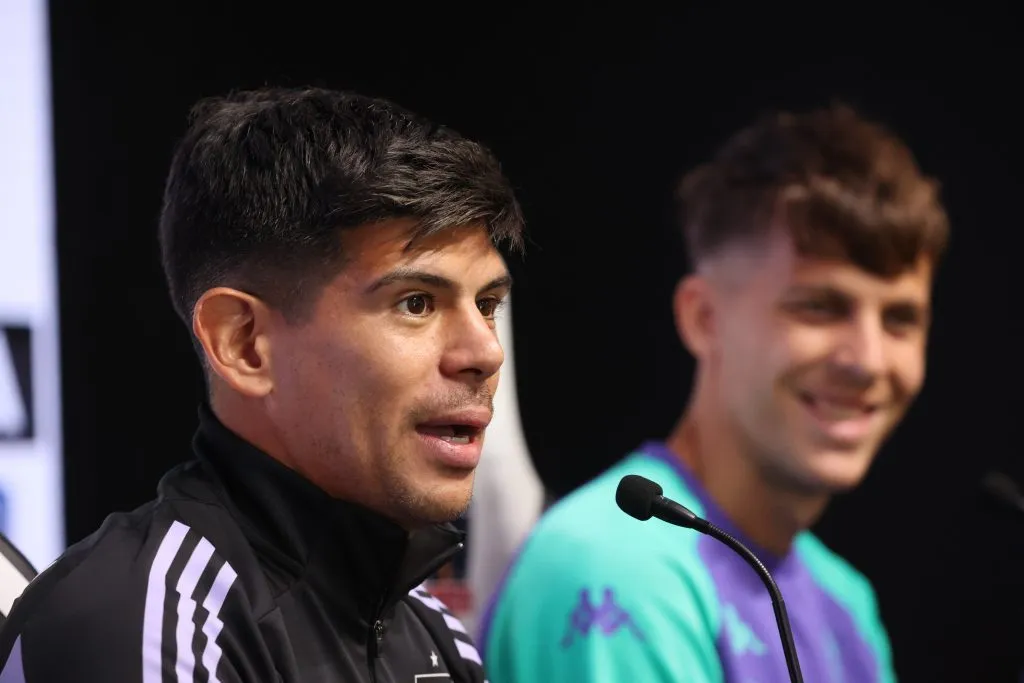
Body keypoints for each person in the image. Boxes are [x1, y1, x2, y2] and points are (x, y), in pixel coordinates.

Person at [0, 86, 524, 682]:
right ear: (244, 343)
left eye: (486, 303)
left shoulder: (438, 636)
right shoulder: (140, 624)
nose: (484, 351)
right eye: (415, 302)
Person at [479, 104, 949, 682]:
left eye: (901, 319)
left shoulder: (846, 602)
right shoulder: (615, 570)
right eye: (820, 307)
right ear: (703, 318)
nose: (870, 361)